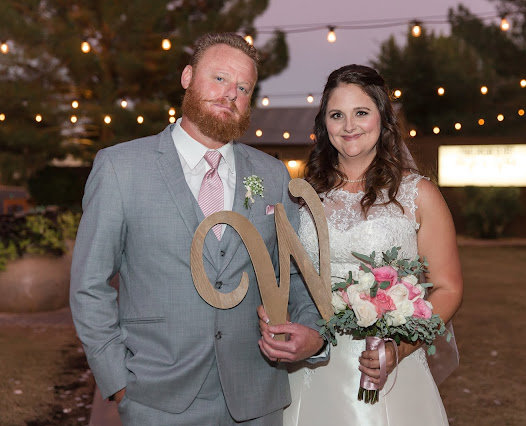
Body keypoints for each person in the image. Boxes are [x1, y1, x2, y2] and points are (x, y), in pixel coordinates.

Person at [69, 32, 325, 425]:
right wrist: (118, 380)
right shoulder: (121, 168)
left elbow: (292, 272)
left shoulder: (272, 174)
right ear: (187, 77)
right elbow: (89, 284)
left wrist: (312, 332)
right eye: (219, 78)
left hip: (257, 398)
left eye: (243, 87)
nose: (230, 94)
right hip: (156, 396)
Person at [268, 64, 464, 425]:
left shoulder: (418, 194)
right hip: (312, 363)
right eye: (336, 115)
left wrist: (398, 348)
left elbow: (449, 288)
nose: (349, 126)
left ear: (382, 118)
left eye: (361, 112)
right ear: (324, 125)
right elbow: (287, 279)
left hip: (388, 365)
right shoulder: (302, 196)